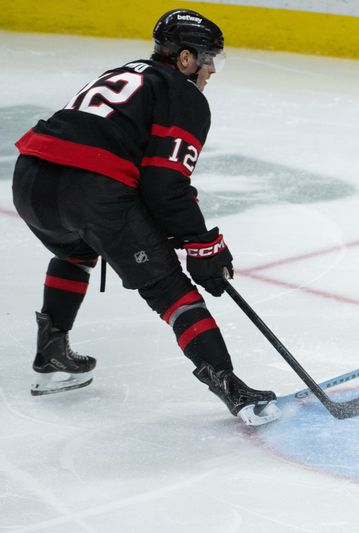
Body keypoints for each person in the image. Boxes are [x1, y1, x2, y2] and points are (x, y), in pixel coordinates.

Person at [12, 9, 279, 426]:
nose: (211, 69)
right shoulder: (185, 95)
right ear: (185, 59)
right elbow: (163, 185)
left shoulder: (123, 73)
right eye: (208, 58)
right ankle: (231, 387)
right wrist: (201, 243)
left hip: (30, 180)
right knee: (170, 288)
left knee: (75, 250)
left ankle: (51, 348)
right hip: (92, 192)